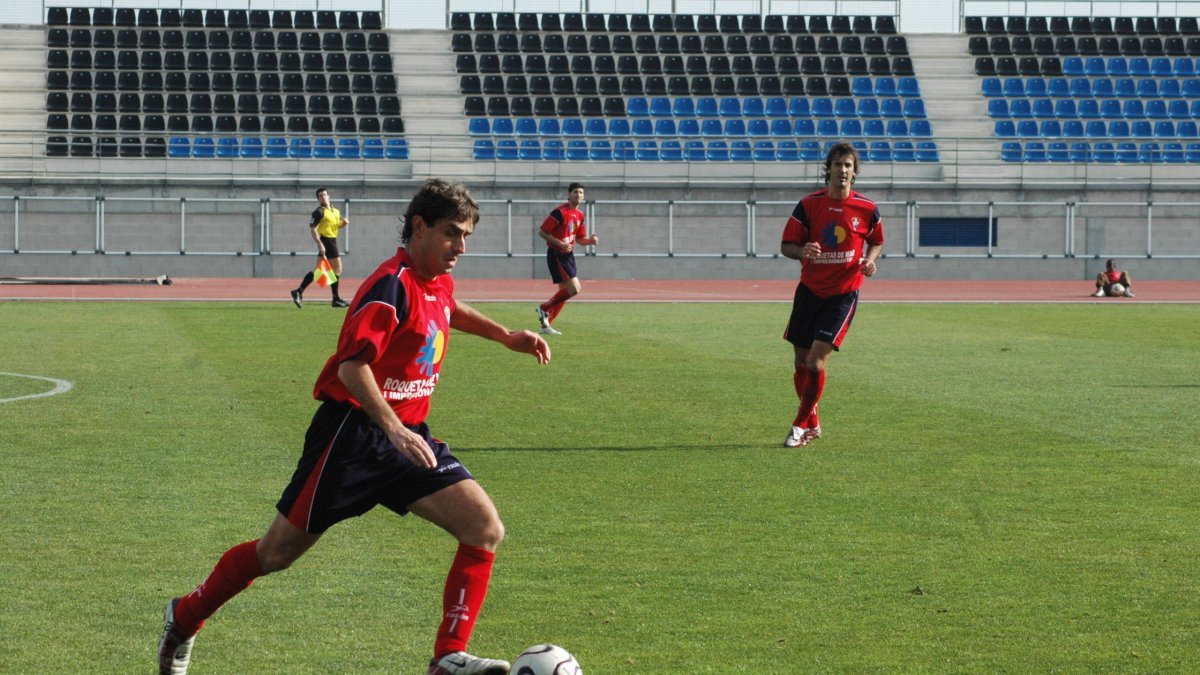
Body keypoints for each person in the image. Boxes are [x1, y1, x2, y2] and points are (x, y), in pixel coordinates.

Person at [159, 179, 552, 675]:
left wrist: (506, 336)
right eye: (452, 233)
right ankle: (184, 616)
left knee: (484, 527)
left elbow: (448, 308)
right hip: (351, 438)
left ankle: (447, 656)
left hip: (407, 439)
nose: (461, 247)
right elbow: (352, 367)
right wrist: (392, 429)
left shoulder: (434, 279)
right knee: (275, 555)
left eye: (466, 235)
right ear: (419, 227)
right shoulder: (390, 286)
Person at [779, 142, 884, 448]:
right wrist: (802, 249)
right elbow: (786, 246)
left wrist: (871, 260)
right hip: (810, 291)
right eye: (837, 165)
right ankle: (813, 422)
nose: (843, 170)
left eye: (848, 165)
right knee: (800, 363)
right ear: (829, 170)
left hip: (843, 294)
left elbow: (876, 240)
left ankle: (799, 426)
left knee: (815, 362)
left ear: (855, 172)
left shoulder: (866, 208)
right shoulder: (809, 205)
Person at [534, 182, 598, 336]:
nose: (578, 195)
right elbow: (542, 232)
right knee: (575, 289)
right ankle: (544, 308)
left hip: (567, 255)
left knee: (565, 291)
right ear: (569, 194)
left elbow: (580, 238)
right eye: (575, 192)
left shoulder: (580, 215)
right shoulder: (559, 212)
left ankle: (545, 325)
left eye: (581, 192)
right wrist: (560, 244)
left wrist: (590, 241)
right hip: (557, 254)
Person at [291, 187, 350, 308]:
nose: (323, 197)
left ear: (328, 196)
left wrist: (343, 223)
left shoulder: (335, 211)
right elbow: (313, 229)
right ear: (318, 199)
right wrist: (320, 243)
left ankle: (299, 291)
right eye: (320, 196)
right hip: (327, 241)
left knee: (318, 271)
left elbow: (336, 226)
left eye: (324, 195)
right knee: (337, 269)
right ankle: (336, 299)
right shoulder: (319, 212)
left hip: (332, 240)